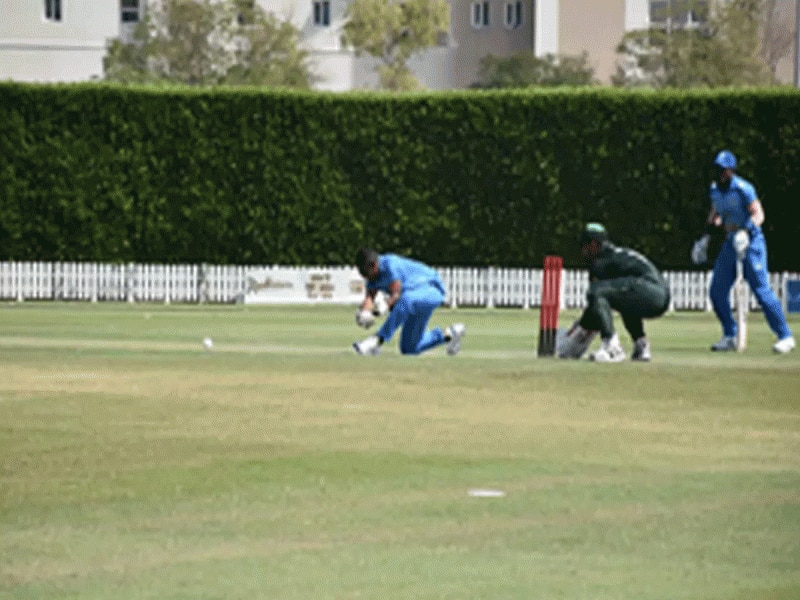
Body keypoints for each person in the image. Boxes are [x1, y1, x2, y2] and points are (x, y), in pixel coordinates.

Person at [691, 150, 795, 353]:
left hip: (752, 242)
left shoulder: (743, 188)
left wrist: (746, 232)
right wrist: (705, 238)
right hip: (730, 242)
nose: (718, 174)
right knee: (717, 291)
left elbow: (758, 214)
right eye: (716, 170)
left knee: (761, 290)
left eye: (722, 170)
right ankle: (730, 334)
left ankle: (785, 336)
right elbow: (715, 217)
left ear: (730, 171)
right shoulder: (715, 190)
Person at [558, 223, 671, 363]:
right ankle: (641, 346)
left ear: (594, 245)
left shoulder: (600, 263)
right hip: (660, 294)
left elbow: (595, 302)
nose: (582, 251)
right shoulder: (616, 255)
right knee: (623, 298)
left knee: (598, 291)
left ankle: (612, 347)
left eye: (584, 245)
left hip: (649, 290)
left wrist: (578, 334)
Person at [352, 247, 465, 356]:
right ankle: (450, 334)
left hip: (432, 289)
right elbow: (369, 298)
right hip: (414, 300)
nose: (364, 276)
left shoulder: (390, 265)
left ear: (374, 265)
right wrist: (364, 312)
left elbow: (396, 294)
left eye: (364, 271)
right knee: (409, 348)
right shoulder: (372, 276)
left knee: (406, 299)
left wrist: (385, 305)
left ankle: (377, 340)